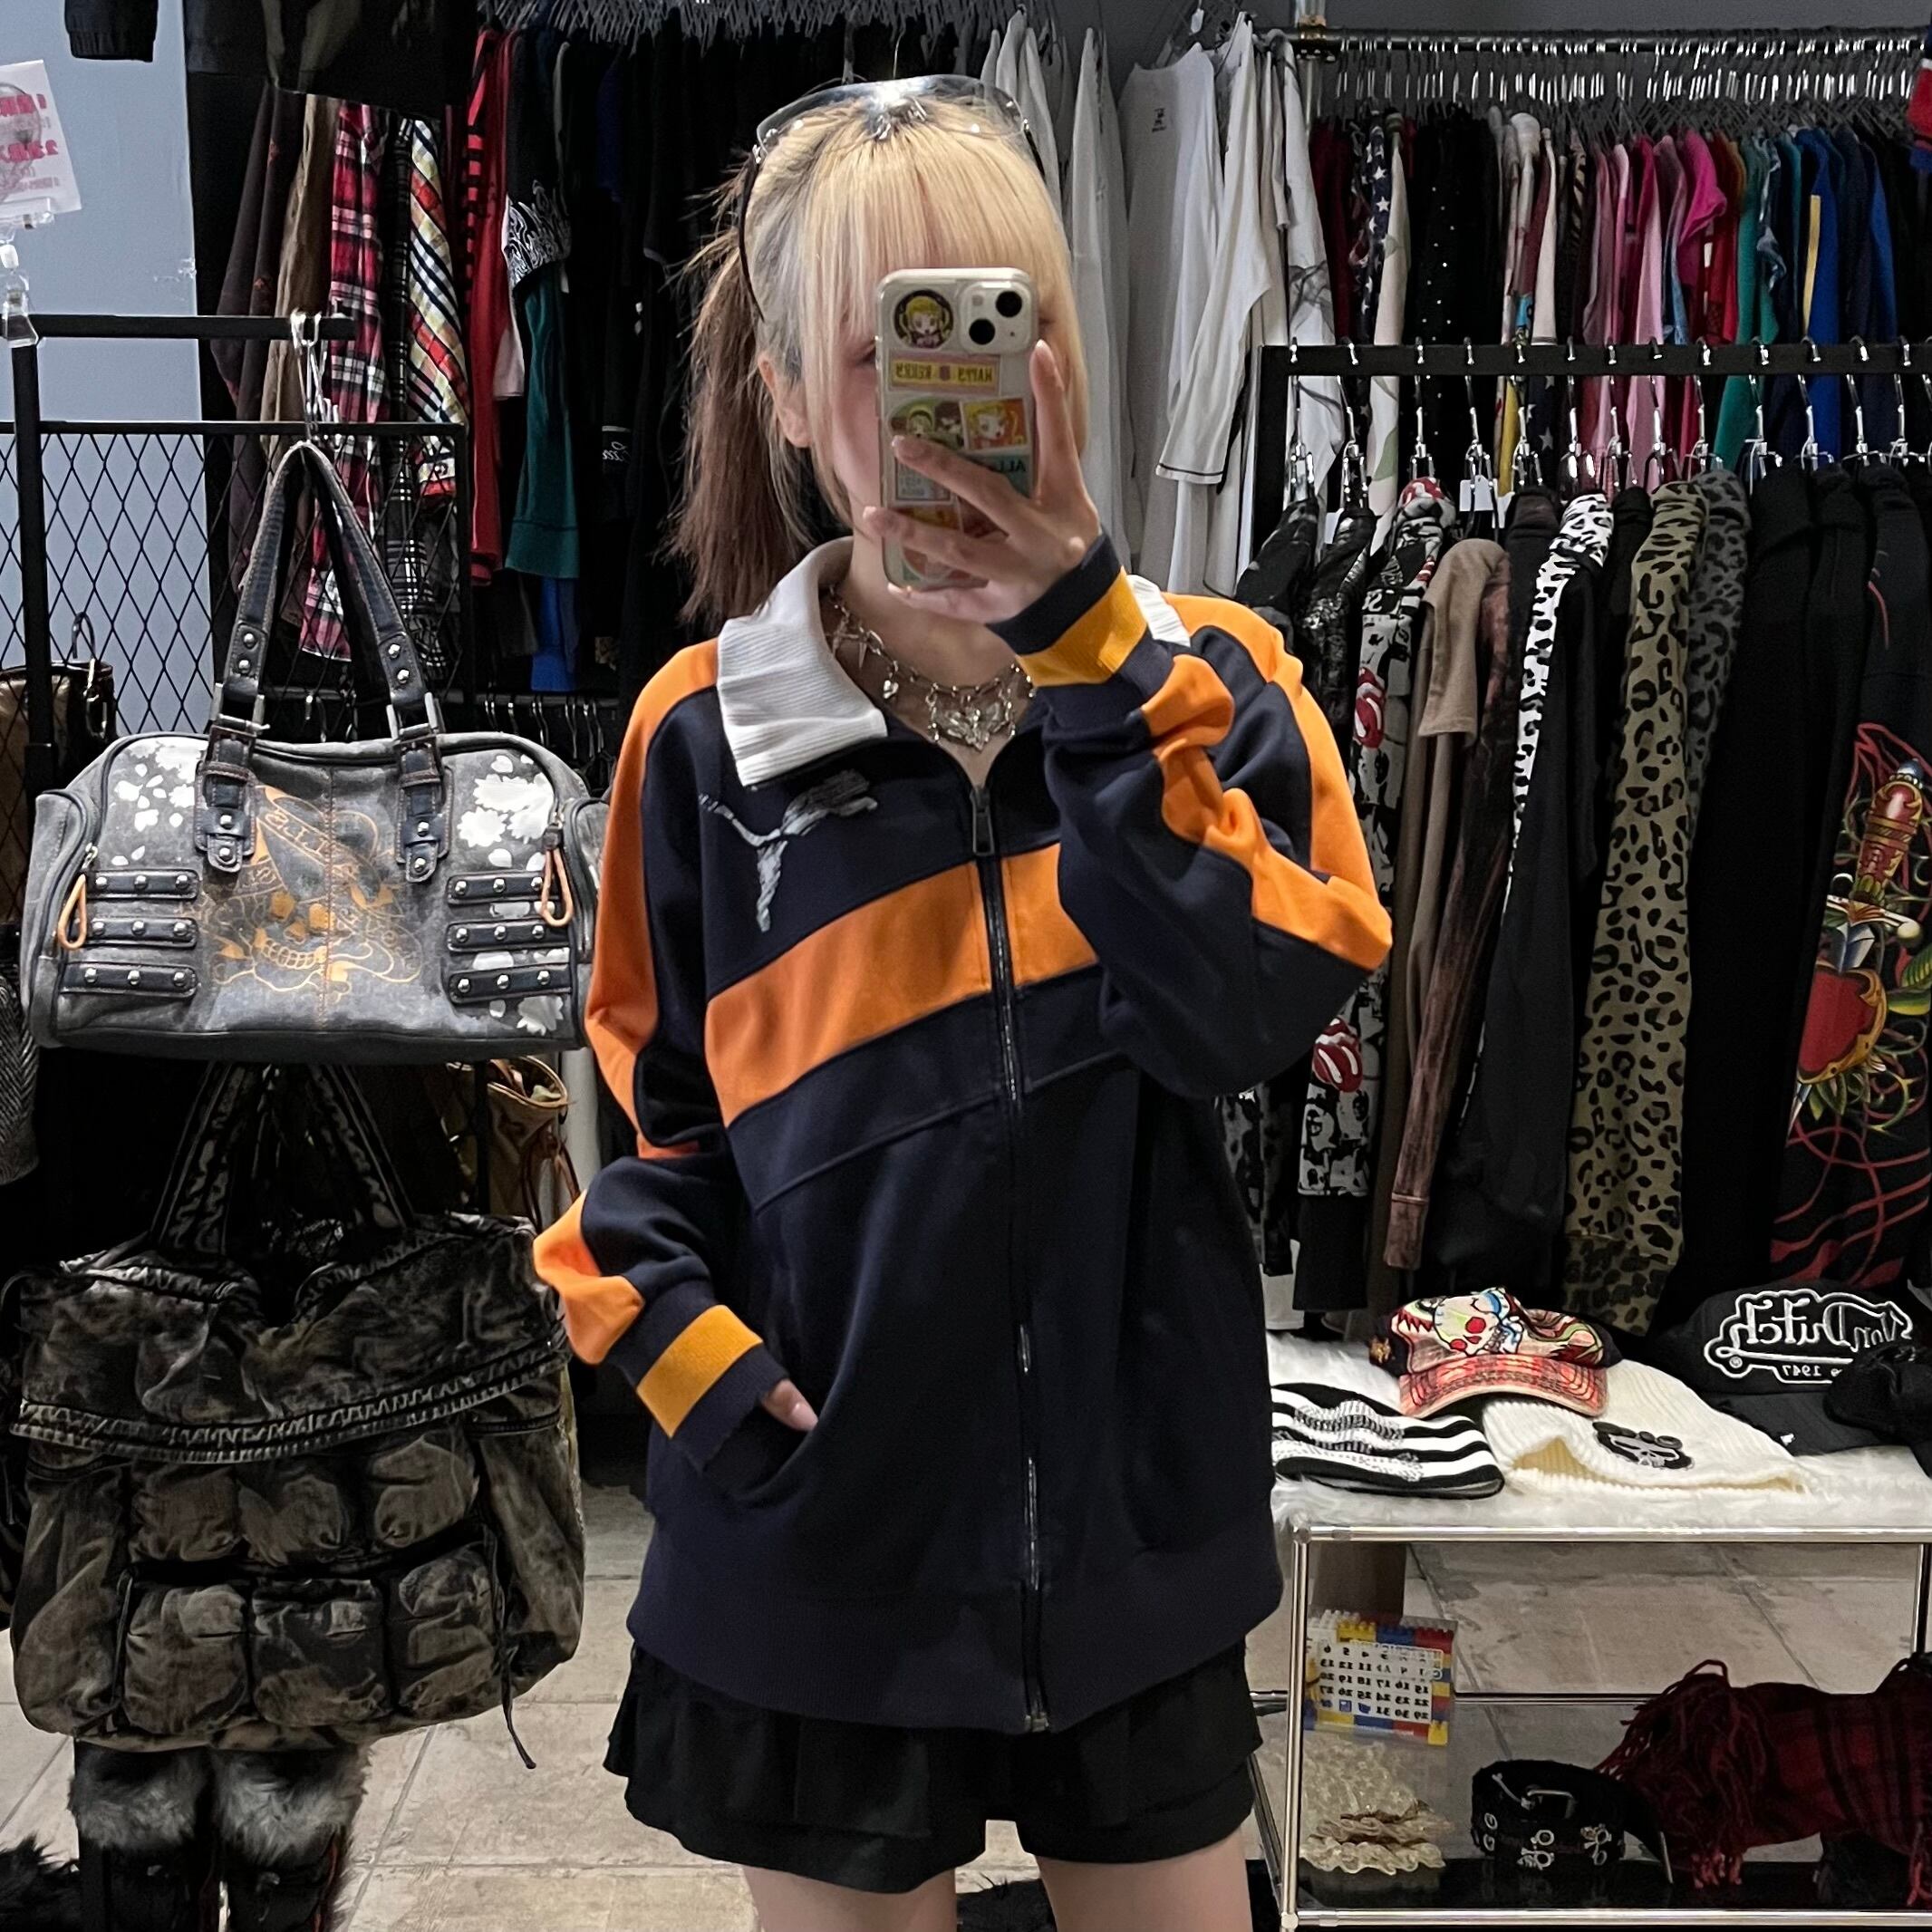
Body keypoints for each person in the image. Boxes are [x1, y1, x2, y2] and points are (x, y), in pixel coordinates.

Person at [535, 79, 1388, 1932]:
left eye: (997, 330)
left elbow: (1248, 1018)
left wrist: (1090, 658)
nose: (946, 400)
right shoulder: (702, 740)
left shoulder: (1215, 682)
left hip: (1133, 1535)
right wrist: (703, 1376)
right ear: (782, 396)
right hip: (817, 1538)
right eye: (884, 350)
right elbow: (653, 1135)